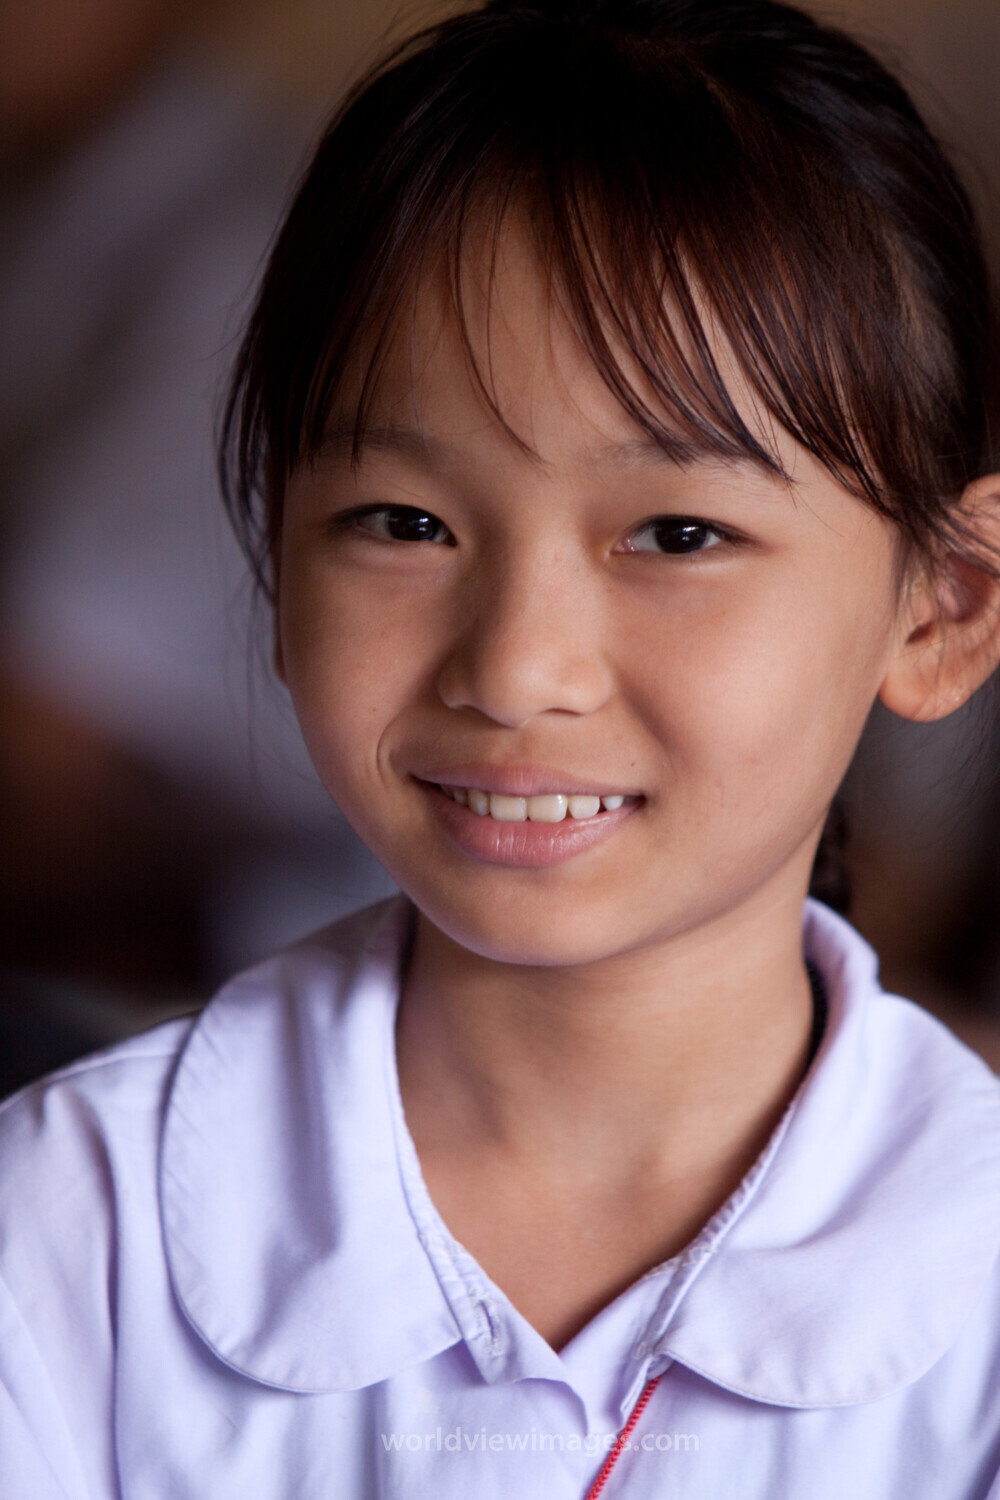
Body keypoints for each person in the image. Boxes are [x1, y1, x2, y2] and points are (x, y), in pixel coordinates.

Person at [2, 0, 1000, 1493]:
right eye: (406, 524)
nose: (518, 668)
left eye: (679, 532)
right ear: (278, 566)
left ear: (942, 612)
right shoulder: (63, 1237)